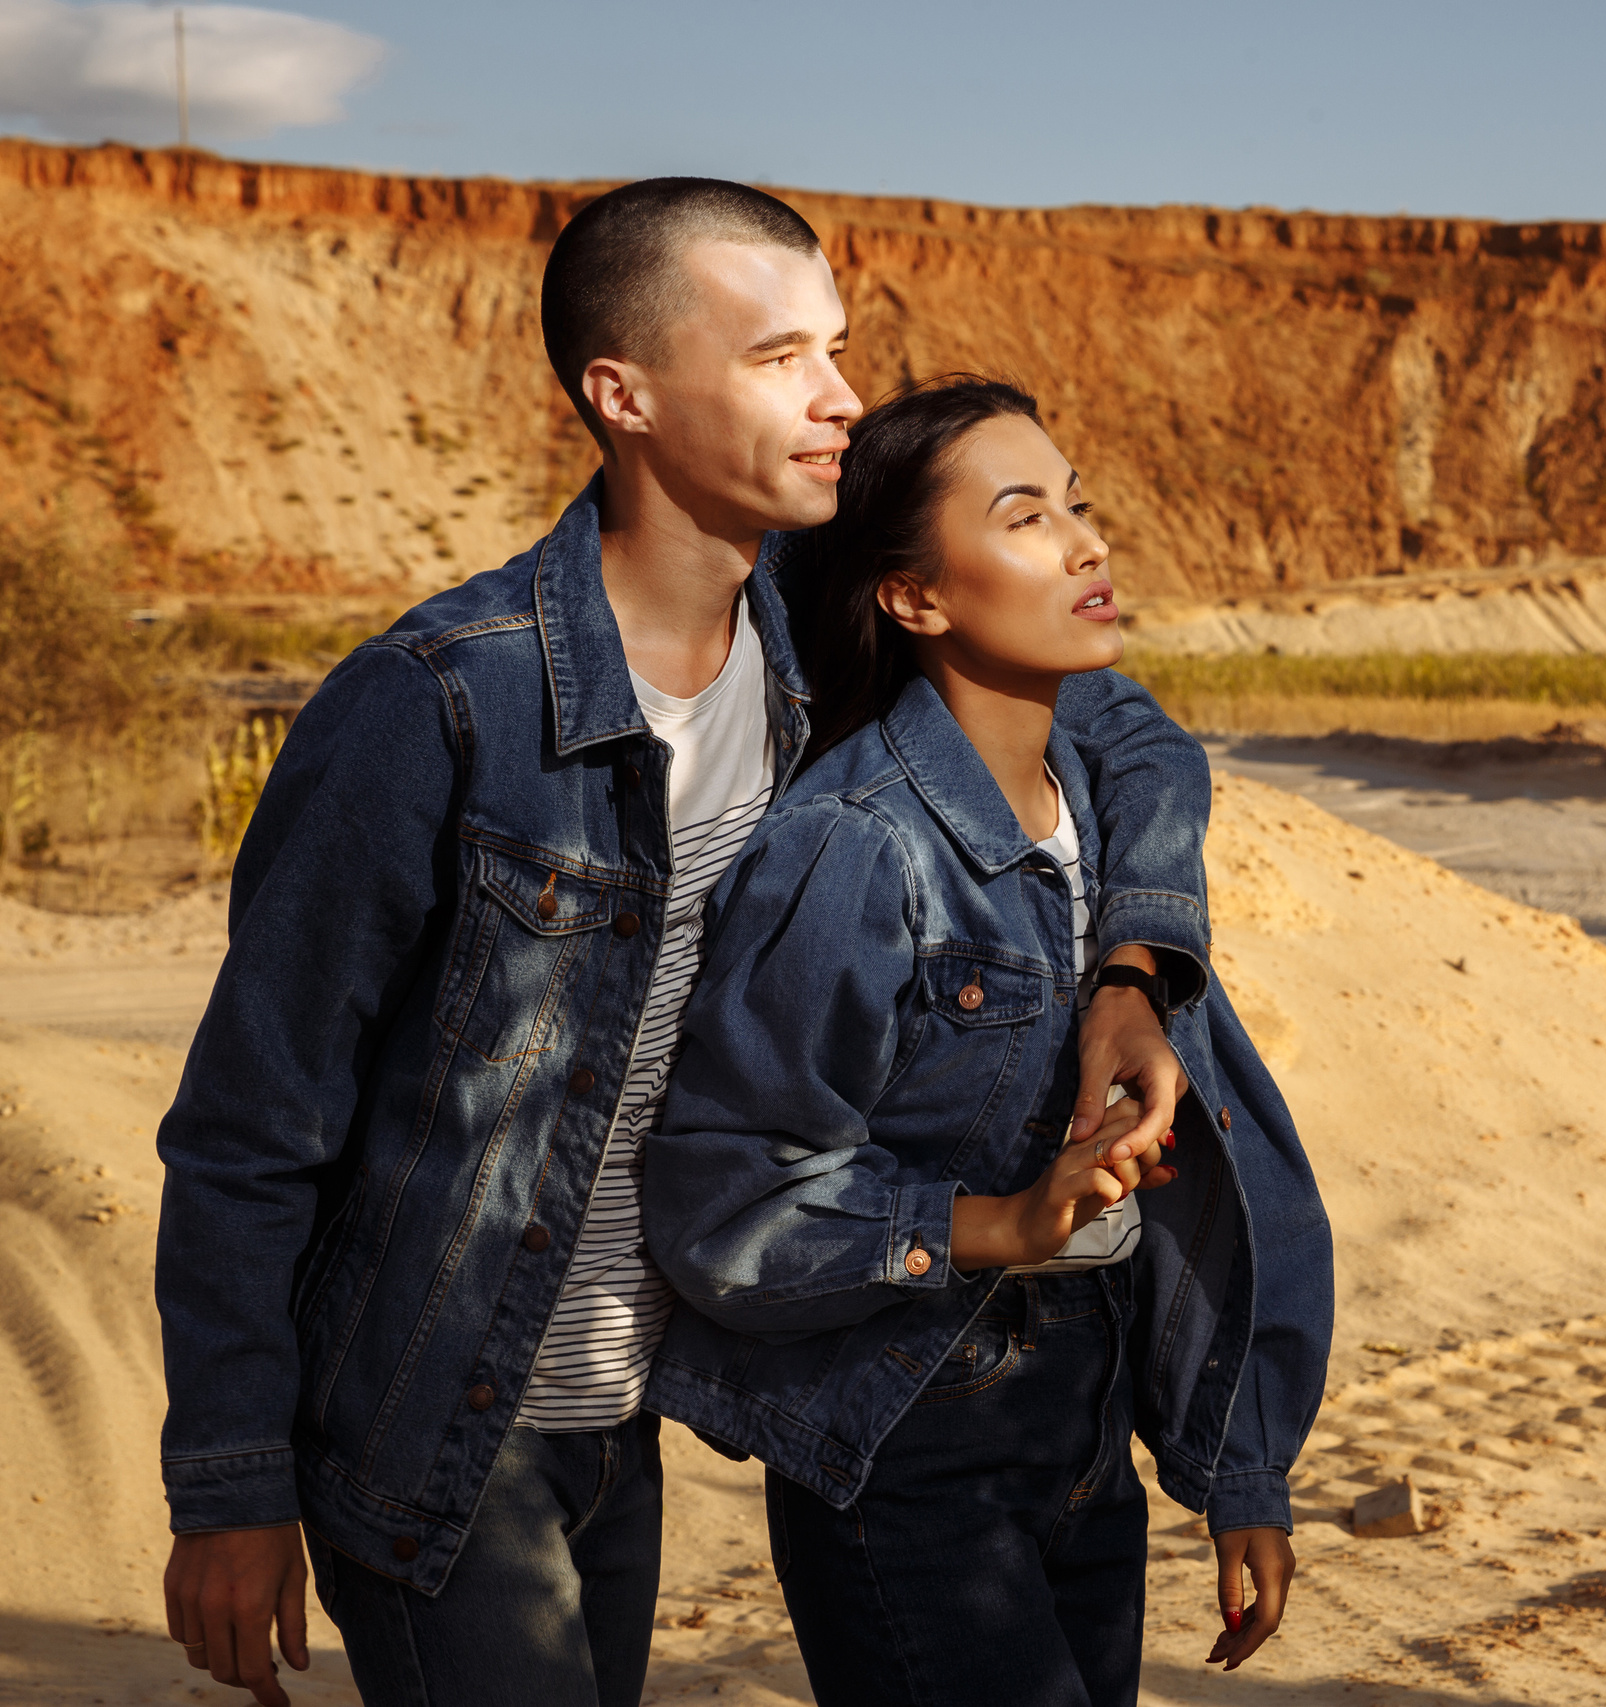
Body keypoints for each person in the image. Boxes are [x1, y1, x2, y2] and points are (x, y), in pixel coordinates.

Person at [153, 181, 1217, 1707]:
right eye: (782, 358)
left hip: (634, 1406)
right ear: (625, 394)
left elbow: (1129, 730)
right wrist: (232, 1482)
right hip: (448, 1415)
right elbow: (255, 1125)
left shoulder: (817, 648)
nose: (842, 398)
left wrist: (1133, 973)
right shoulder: (442, 703)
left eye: (837, 350)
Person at [641, 375, 1332, 1707]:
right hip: (908, 1440)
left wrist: (1240, 1471)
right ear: (913, 596)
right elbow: (724, 1203)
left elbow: (1234, 1165)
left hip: (1085, 1423)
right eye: (1024, 518)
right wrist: (1004, 1223)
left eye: (1079, 505)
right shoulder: (854, 849)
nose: (1085, 544)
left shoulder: (1101, 827)